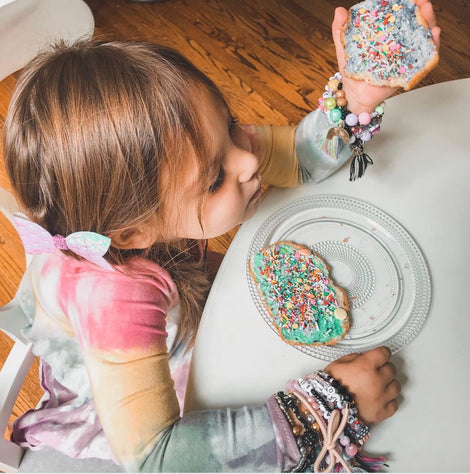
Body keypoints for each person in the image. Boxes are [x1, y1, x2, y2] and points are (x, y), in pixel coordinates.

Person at [3, 2, 440, 472]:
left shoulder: (190, 154)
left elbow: (294, 155)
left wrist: (355, 100)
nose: (248, 160)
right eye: (214, 180)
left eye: (230, 126)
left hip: (173, 310)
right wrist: (327, 406)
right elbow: (157, 458)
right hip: (125, 392)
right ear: (133, 232)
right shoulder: (115, 303)